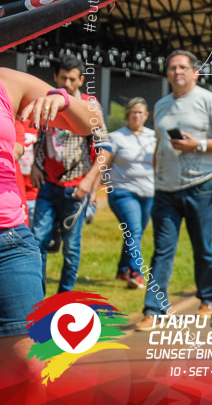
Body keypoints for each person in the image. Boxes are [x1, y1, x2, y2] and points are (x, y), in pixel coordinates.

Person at [0, 67, 106, 378]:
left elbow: (93, 121)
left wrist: (63, 100)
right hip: (47, 193)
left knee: (29, 369)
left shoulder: (7, 80)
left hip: (9, 241)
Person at [136, 50, 212, 330]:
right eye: (172, 67)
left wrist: (199, 145)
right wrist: (155, 175)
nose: (177, 71)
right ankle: (154, 310)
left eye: (182, 67)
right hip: (165, 189)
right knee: (162, 250)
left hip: (201, 183)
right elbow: (160, 144)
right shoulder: (161, 105)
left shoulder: (209, 100)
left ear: (195, 72)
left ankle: (209, 298)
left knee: (201, 245)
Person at [30, 53, 111, 295]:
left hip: (76, 188)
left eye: (72, 79)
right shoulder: (46, 102)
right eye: (63, 77)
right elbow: (40, 138)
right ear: (55, 77)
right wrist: (35, 164)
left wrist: (90, 183)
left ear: (80, 81)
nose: (66, 83)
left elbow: (105, 149)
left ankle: (64, 298)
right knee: (37, 242)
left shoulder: (89, 106)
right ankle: (38, 296)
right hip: (48, 184)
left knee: (71, 248)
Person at [76, 97, 155, 289]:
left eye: (140, 113)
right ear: (127, 114)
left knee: (134, 233)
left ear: (146, 115)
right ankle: (136, 273)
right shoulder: (116, 137)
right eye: (133, 112)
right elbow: (101, 166)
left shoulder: (153, 137)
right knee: (134, 230)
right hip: (122, 192)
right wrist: (93, 193)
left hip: (149, 193)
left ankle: (123, 269)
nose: (137, 116)